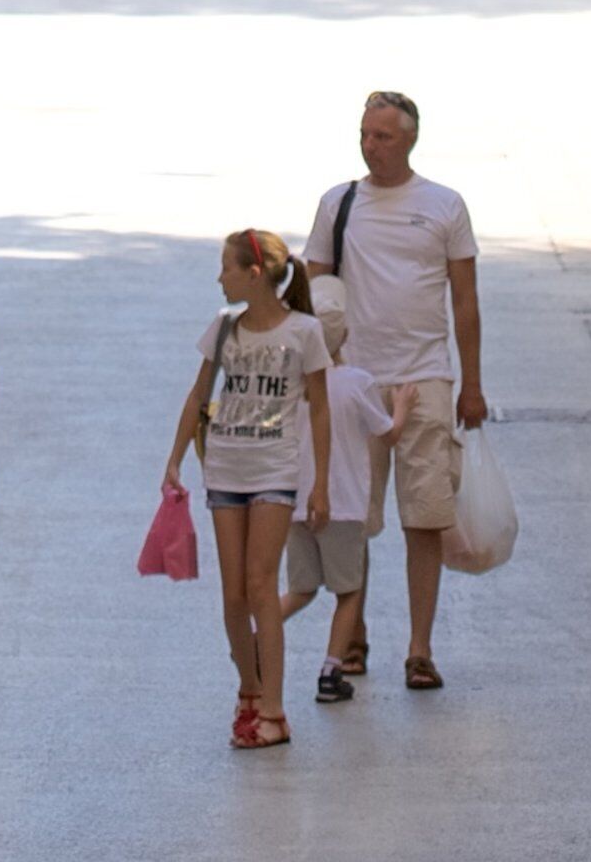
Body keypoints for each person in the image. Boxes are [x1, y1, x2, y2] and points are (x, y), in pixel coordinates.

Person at [303, 88, 483, 692]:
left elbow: (465, 301)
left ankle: (420, 649)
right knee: (353, 517)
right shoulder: (339, 204)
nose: (370, 145)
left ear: (409, 139)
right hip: (355, 379)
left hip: (425, 373)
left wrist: (471, 384)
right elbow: (314, 296)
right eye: (364, 134)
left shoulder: (443, 206)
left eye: (382, 136)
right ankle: (352, 639)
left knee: (424, 517)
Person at [166, 229, 333, 751]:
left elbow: (321, 407)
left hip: (275, 470)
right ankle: (248, 689)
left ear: (254, 274)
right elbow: (199, 394)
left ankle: (275, 709)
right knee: (234, 592)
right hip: (225, 468)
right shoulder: (223, 329)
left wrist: (320, 481)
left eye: (227, 267)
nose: (220, 277)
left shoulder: (304, 332)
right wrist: (173, 460)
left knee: (263, 583)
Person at [281, 309, 395, 703]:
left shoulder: (293, 386)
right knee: (349, 591)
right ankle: (331, 669)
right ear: (343, 336)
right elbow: (387, 432)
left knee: (300, 589)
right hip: (344, 505)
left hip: (295, 505)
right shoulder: (357, 383)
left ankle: (258, 633)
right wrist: (407, 406)